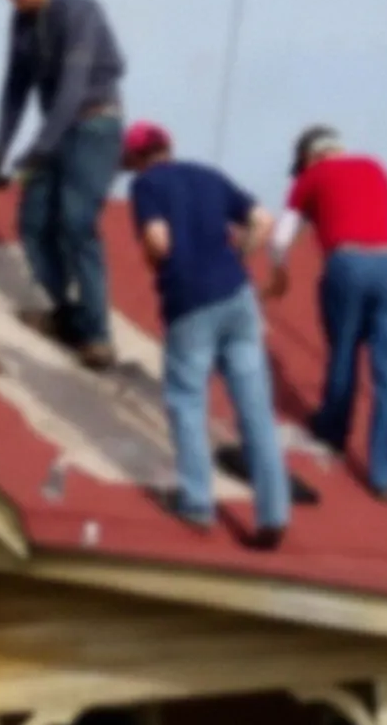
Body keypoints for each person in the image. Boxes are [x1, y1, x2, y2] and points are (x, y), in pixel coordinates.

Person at [124, 121, 291, 549]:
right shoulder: (208, 175)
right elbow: (262, 219)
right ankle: (273, 513)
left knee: (187, 400)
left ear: (136, 159)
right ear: (169, 147)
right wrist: (239, 254)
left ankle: (198, 503)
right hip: (238, 296)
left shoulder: (146, 186)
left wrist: (152, 263)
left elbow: (159, 242)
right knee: (254, 407)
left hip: (190, 301)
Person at [0, 0, 126, 370]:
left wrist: (36, 151)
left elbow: (73, 88)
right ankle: (69, 314)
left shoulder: (79, 11)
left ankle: (98, 336)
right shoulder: (21, 21)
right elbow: (15, 88)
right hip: (54, 130)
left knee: (76, 221)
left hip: (94, 125)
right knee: (33, 223)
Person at [266, 125, 387, 505]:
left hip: (348, 263)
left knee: (344, 352)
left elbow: (280, 237)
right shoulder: (375, 167)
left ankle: (333, 431)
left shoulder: (312, 177)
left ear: (308, 158)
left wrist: (279, 272)